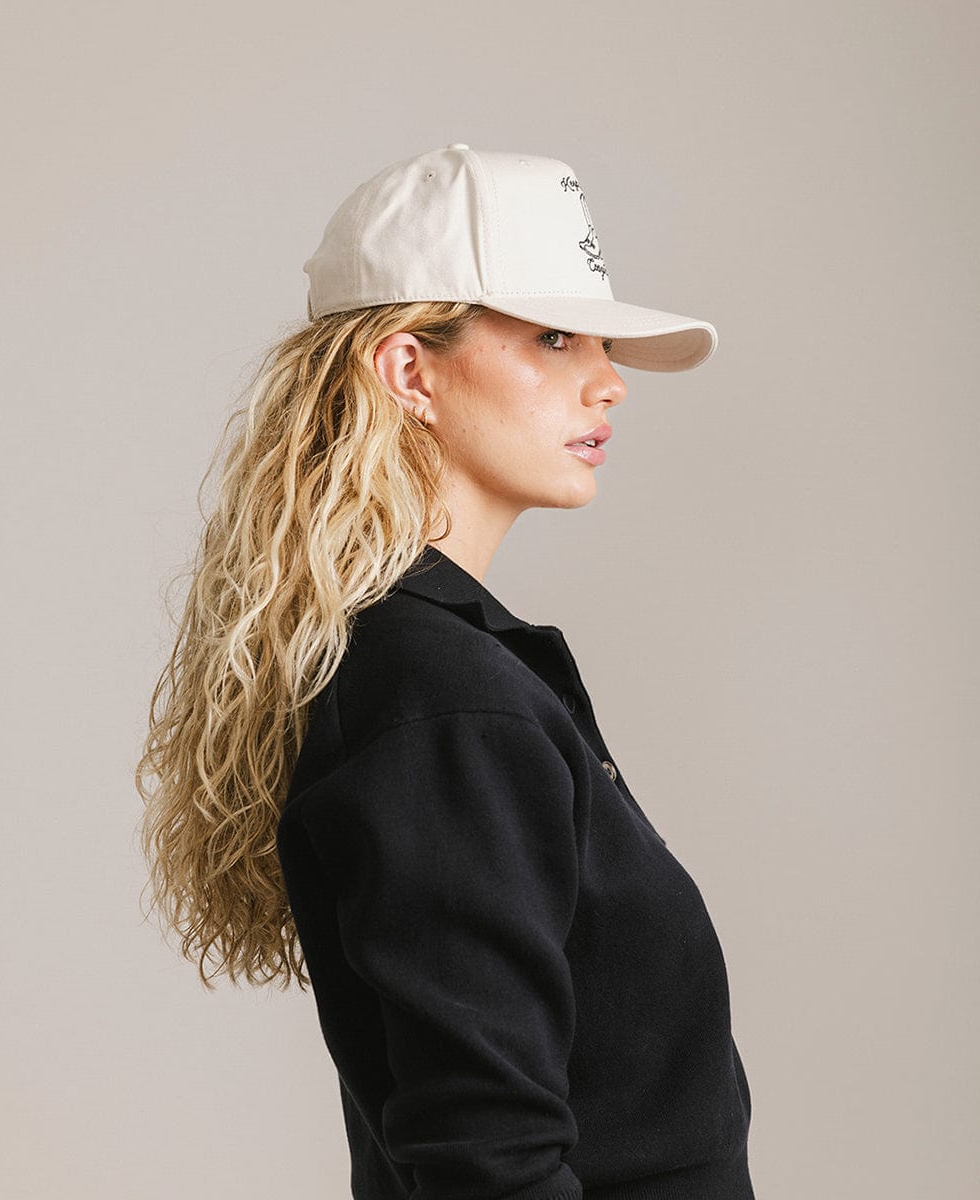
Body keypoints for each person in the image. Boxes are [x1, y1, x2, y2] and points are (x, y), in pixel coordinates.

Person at [137, 144, 755, 1200]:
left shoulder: (436, 670)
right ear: (408, 371)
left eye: (600, 343)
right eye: (554, 338)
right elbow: (487, 1165)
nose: (606, 380)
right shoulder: (448, 704)